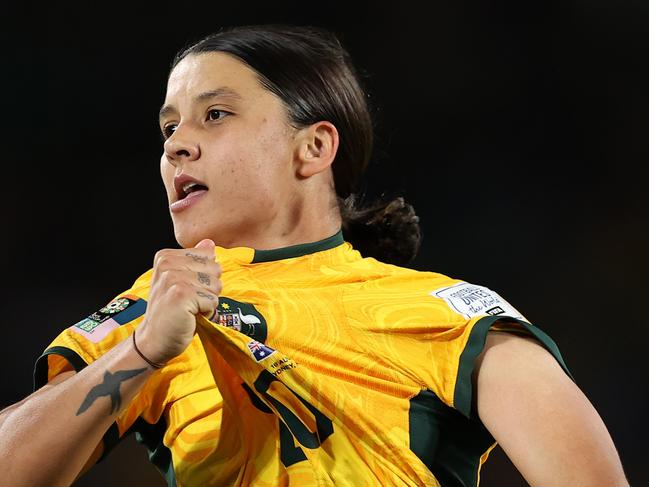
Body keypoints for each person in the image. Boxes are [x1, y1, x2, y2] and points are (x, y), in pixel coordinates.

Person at [0, 24, 628, 487]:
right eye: (169, 128)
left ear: (313, 148)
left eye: (214, 114)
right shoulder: (154, 312)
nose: (177, 147)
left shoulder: (443, 313)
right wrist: (141, 352)